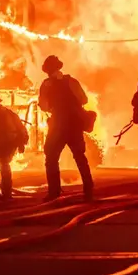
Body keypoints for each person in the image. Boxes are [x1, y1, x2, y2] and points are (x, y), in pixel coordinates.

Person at [38, 55, 95, 202]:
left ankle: (54, 191)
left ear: (46, 70)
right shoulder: (71, 81)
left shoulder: (46, 84)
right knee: (80, 157)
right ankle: (89, 189)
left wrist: (55, 107)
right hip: (74, 125)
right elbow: (84, 99)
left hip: (57, 125)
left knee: (51, 158)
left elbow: (43, 106)